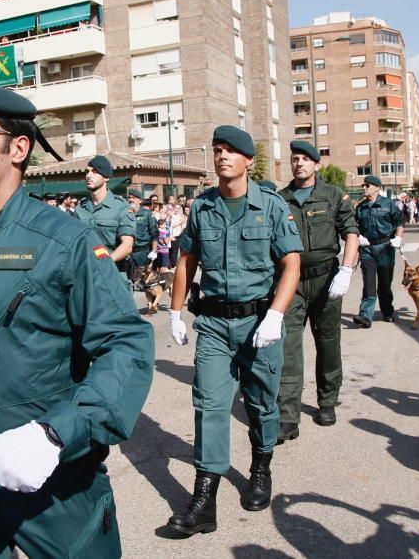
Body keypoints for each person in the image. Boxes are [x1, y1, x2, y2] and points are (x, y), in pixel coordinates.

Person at [0, 80, 153, 557]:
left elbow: (124, 345)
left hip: (56, 481)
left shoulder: (65, 241)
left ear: (18, 147)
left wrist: (55, 434)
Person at [166, 125, 302, 535]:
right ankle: (204, 500)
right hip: (213, 325)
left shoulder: (272, 206)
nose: (222, 156)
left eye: (230, 151)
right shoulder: (202, 206)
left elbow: (291, 264)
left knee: (261, 405)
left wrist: (277, 315)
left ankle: (261, 469)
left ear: (248, 161)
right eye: (217, 150)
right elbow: (187, 260)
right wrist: (175, 311)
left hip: (260, 322)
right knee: (208, 405)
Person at [277, 140, 360, 439]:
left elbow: (351, 233)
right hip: (292, 282)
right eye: (294, 159)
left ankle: (327, 401)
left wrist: (347, 271)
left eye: (304, 159)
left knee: (327, 343)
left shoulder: (333, 195)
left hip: (327, 280)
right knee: (288, 348)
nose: (298, 163)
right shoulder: (280, 198)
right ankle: (288, 414)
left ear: (316, 164)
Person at [352, 176, 404, 328]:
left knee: (385, 283)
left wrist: (398, 238)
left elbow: (400, 221)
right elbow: (353, 225)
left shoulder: (389, 204)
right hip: (367, 248)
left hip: (385, 247)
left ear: (376, 187)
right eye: (363, 185)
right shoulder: (360, 207)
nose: (364, 188)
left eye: (367, 185)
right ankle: (365, 316)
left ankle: (387, 311)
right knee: (369, 283)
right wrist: (359, 236)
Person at [74, 155, 135, 284]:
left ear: (106, 177)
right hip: (85, 278)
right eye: (87, 172)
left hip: (113, 276)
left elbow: (127, 245)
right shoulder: (80, 209)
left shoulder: (121, 207)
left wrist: (105, 263)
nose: (88, 176)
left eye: (95, 172)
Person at [128, 190, 159, 281]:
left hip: (142, 252)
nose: (130, 200)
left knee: (141, 279)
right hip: (128, 252)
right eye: (129, 198)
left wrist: (154, 251)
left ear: (140, 200)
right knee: (129, 279)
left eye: (133, 198)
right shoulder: (126, 213)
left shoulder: (147, 214)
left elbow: (154, 233)